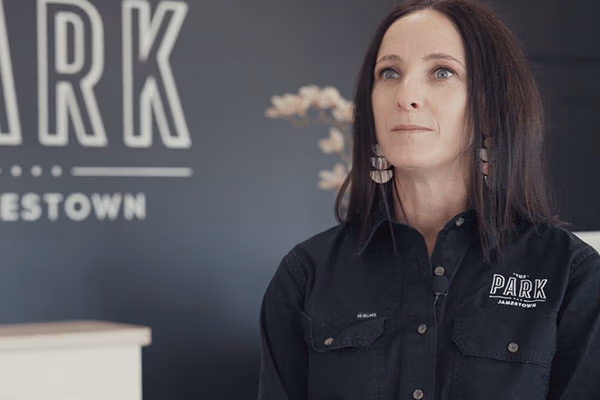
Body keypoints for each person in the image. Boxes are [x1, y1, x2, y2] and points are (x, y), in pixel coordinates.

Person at [257, 0, 600, 399]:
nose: (406, 95)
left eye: (442, 72)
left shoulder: (572, 276)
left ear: (491, 105)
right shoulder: (305, 276)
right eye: (389, 72)